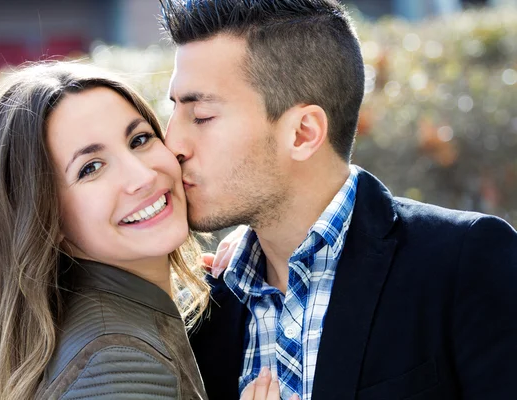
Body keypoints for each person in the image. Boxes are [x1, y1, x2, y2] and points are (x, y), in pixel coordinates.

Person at [158, 0, 517, 399]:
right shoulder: (203, 309)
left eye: (202, 116)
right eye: (172, 109)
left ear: (303, 133)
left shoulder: (462, 264)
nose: (171, 143)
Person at [0, 62, 211, 400]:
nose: (142, 177)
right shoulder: (118, 364)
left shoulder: (114, 329)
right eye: (91, 168)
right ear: (47, 221)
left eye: (139, 139)